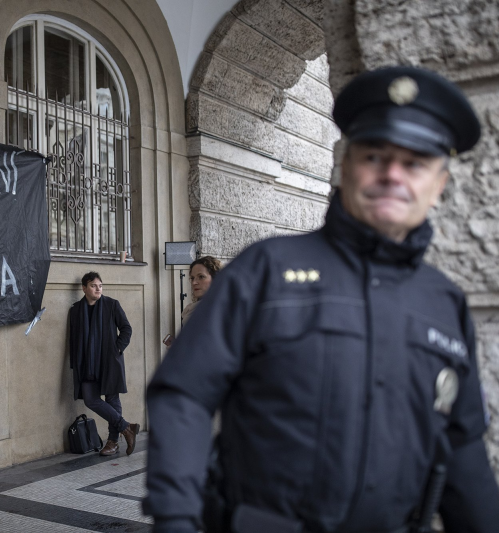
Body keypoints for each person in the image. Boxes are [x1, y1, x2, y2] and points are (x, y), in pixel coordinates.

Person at [144, 66, 499, 533]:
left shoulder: (443, 302)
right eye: (375, 156)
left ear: (440, 185)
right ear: (347, 165)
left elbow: (462, 445)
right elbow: (184, 395)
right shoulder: (265, 270)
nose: (393, 174)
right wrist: (175, 520)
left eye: (414, 163)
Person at [69, 271, 139, 457]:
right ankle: (127, 427)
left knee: (112, 399)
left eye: (100, 285)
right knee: (91, 400)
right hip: (87, 363)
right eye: (93, 286)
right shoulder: (75, 310)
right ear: (84, 288)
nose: (98, 289)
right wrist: (75, 364)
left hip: (109, 361)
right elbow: (73, 340)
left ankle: (113, 442)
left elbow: (126, 329)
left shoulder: (111, 305)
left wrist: (116, 350)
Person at [182, 256, 222, 324]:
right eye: (192, 278)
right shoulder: (190, 309)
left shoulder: (220, 310)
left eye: (201, 277)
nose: (194, 282)